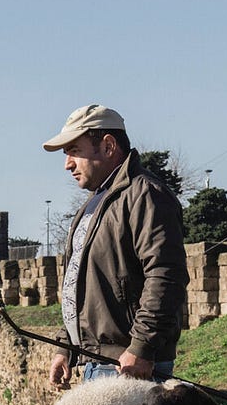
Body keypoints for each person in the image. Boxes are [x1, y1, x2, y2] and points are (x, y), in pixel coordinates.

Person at [42, 103, 187, 389]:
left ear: (108, 146)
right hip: (101, 363)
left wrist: (142, 346)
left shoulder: (145, 194)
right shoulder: (95, 203)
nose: (68, 164)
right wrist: (67, 346)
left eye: (74, 151)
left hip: (129, 366)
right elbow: (86, 287)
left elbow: (166, 275)